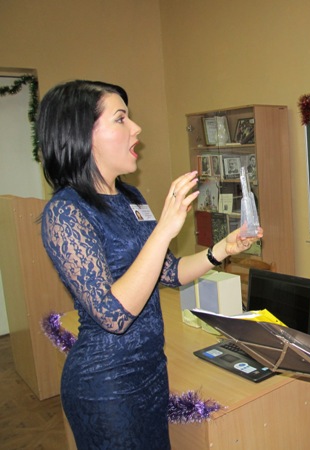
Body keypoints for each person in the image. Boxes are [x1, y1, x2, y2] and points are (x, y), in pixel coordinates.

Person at [37, 80, 262, 449]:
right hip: (106, 385)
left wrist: (223, 248)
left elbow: (168, 272)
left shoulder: (131, 197)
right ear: (83, 134)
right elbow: (113, 316)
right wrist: (164, 229)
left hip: (151, 374)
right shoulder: (65, 212)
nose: (136, 128)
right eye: (121, 119)